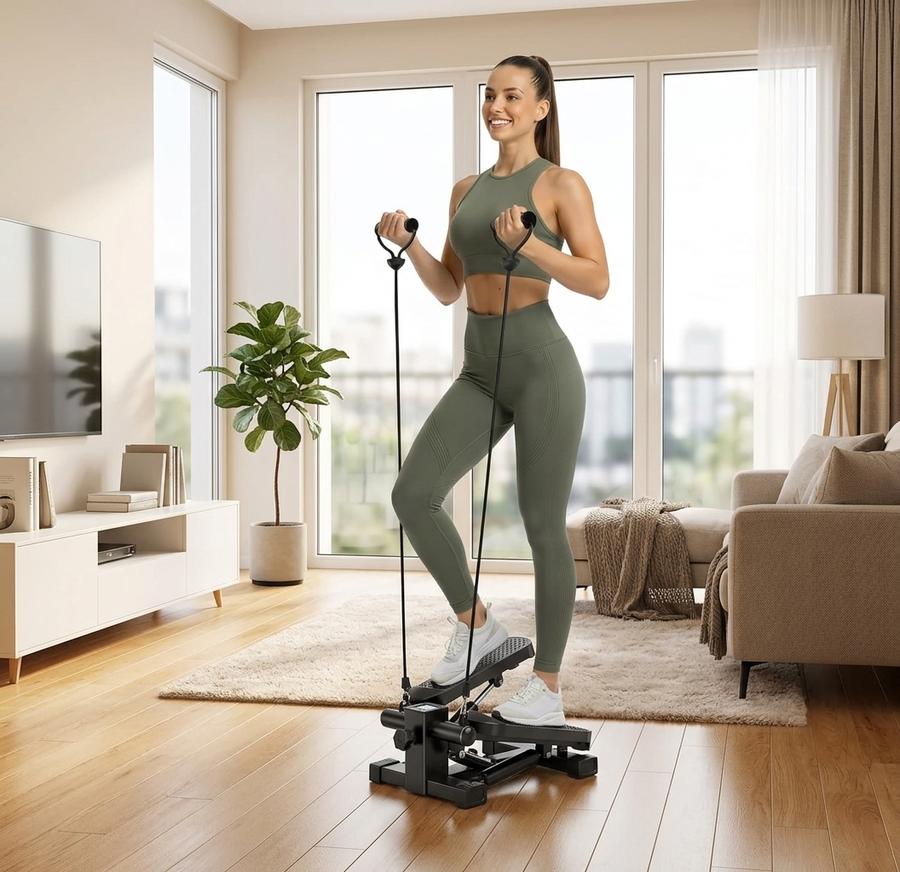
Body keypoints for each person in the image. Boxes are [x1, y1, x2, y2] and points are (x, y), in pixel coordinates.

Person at [379, 54, 609, 726]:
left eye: (512, 95)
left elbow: (597, 279)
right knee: (412, 495)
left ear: (541, 107)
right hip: (480, 365)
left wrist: (532, 245)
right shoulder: (464, 190)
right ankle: (478, 626)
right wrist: (410, 246)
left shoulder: (561, 183)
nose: (495, 106)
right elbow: (451, 286)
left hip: (543, 366)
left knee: (542, 529)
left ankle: (547, 689)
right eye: (489, 96)